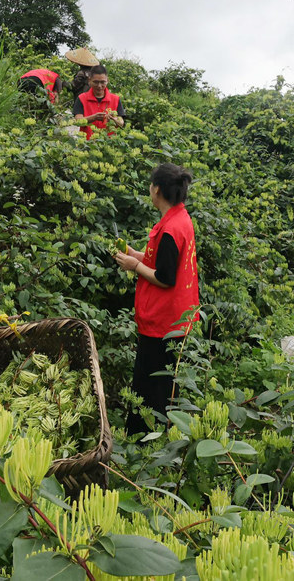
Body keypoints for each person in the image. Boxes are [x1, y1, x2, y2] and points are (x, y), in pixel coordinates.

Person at [114, 164, 199, 434]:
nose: (149, 190)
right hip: (175, 317)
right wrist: (133, 254)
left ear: (158, 190)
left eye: (151, 186)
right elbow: (160, 261)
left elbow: (165, 277)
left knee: (150, 382)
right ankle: (160, 432)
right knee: (163, 380)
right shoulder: (178, 219)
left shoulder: (171, 229)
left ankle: (143, 437)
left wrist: (133, 265)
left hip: (163, 321)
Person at [73, 64, 126, 139]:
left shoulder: (115, 99)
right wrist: (93, 118)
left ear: (107, 81)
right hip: (87, 144)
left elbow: (121, 123)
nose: (99, 86)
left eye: (102, 82)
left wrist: (114, 119)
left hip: (109, 144)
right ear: (89, 80)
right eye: (96, 82)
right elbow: (77, 121)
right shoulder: (82, 98)